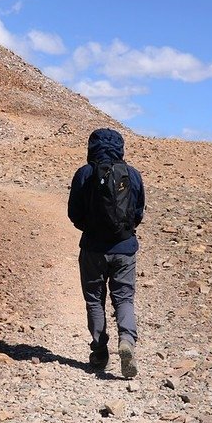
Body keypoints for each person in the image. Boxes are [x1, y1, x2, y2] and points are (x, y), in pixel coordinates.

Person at [67, 128, 145, 378]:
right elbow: (139, 212)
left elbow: (74, 213)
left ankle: (100, 352)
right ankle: (127, 342)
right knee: (124, 298)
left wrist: (91, 229)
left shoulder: (84, 173)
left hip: (92, 248)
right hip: (125, 248)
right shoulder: (132, 174)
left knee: (94, 300)